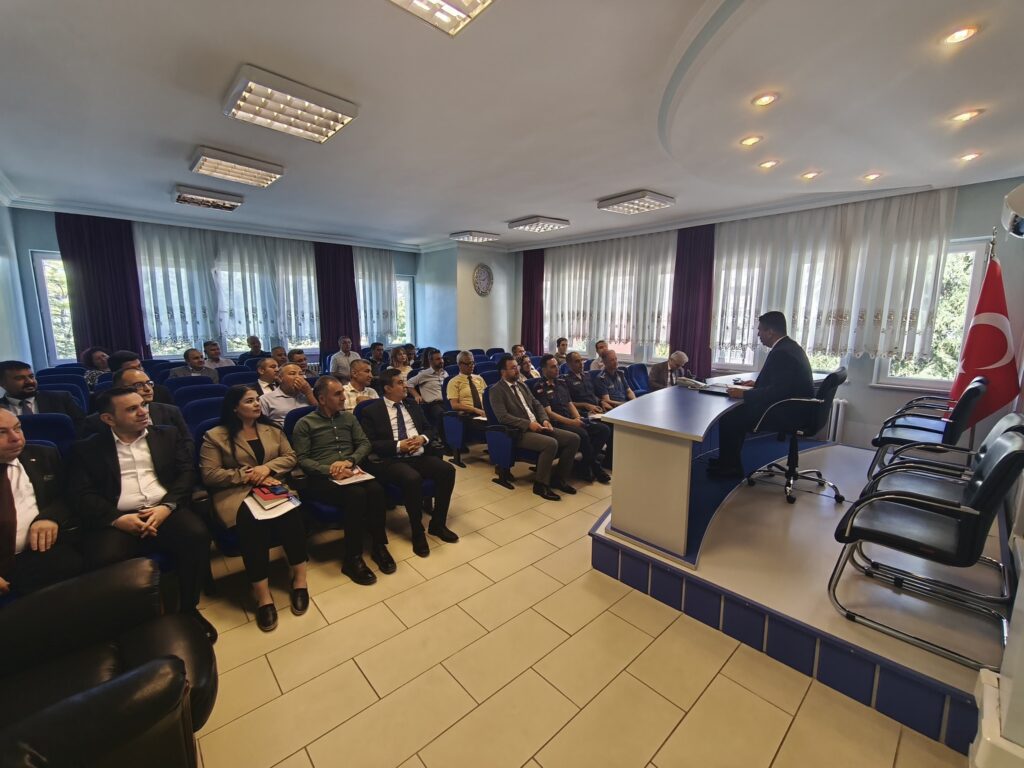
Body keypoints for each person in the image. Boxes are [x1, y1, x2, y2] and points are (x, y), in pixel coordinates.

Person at [71, 387, 216, 642]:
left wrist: (167, 506)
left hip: (164, 508)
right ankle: (131, 623)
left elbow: (186, 474)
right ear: (108, 418)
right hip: (118, 517)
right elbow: (82, 494)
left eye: (143, 405)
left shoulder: (167, 435)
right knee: (103, 557)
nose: (143, 412)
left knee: (196, 535)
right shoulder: (88, 448)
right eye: (132, 409)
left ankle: (188, 608)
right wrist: (117, 518)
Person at [199, 386, 307, 632]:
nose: (257, 404)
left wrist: (267, 469)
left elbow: (290, 457)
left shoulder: (272, 429)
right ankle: (263, 595)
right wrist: (247, 475)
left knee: (292, 516)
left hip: (273, 486)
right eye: (249, 401)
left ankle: (300, 580)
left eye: (257, 399)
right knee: (252, 525)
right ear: (234, 408)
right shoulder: (214, 436)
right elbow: (210, 474)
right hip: (237, 493)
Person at [291, 377, 393, 586]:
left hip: (350, 470)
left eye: (342, 392)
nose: (343, 397)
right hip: (322, 478)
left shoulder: (348, 418)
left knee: (376, 490)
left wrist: (349, 461)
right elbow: (302, 459)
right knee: (356, 495)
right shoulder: (305, 424)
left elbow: (364, 443)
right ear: (321, 399)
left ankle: (378, 545)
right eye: (337, 394)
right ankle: (352, 558)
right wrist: (329, 469)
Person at [359, 369, 458, 558]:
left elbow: (430, 429)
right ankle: (417, 531)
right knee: (412, 478)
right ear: (387, 388)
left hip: (418, 455)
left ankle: (438, 524)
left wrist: (422, 439)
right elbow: (370, 443)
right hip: (391, 459)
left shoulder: (412, 405)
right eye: (400, 383)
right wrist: (399, 446)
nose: (405, 386)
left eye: (404, 382)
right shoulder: (371, 411)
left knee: (447, 470)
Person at [710, 311, 814, 479]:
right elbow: (782, 383)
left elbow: (778, 391)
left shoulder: (781, 353)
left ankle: (730, 467)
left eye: (760, 330)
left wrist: (744, 395)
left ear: (770, 332)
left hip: (787, 411)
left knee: (731, 417)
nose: (758, 334)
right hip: (797, 408)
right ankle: (726, 461)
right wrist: (756, 385)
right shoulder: (790, 347)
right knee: (735, 414)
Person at [0, 409, 83, 597]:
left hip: (37, 553)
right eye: (2, 432)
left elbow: (68, 494)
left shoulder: (43, 455)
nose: (15, 438)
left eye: (18, 428)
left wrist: (50, 517)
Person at [489, 355, 580, 501]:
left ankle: (559, 478)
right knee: (551, 443)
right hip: (520, 432)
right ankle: (540, 485)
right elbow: (503, 417)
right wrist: (528, 424)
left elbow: (537, 404)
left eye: (517, 367)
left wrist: (544, 420)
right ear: (503, 372)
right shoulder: (496, 390)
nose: (517, 370)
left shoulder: (522, 385)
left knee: (573, 439)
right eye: (512, 368)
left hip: (538, 425)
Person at [532, 355, 611, 483]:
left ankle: (584, 464)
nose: (557, 369)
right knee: (583, 434)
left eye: (557, 366)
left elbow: (570, 404)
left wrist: (578, 418)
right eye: (553, 367)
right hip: (557, 423)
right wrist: (572, 422)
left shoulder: (561, 382)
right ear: (544, 369)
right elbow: (549, 413)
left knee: (604, 429)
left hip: (570, 419)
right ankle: (595, 467)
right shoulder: (540, 387)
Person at [80, 367, 191, 445]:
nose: (148, 389)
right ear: (120, 388)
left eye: (149, 383)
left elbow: (187, 443)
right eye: (138, 385)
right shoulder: (95, 422)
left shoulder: (170, 411)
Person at [0, 360, 85, 430]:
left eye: (31, 376)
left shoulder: (61, 398)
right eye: (20, 378)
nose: (30, 381)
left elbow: (82, 428)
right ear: (2, 383)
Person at [105, 350, 174, 406]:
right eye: (132, 368)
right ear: (116, 373)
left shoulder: (161, 392)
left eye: (139, 366)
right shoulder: (107, 398)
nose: (140, 371)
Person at [407, 349, 448, 425]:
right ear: (431, 361)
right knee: (443, 416)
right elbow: (409, 383)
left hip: (446, 402)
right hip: (433, 405)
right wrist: (416, 395)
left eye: (441, 358)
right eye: (438, 359)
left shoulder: (445, 373)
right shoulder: (424, 374)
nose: (441, 361)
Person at [447, 351, 487, 420]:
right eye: (468, 363)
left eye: (472, 363)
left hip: (484, 412)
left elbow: (488, 396)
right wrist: (475, 410)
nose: (471, 366)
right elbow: (454, 405)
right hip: (468, 415)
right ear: (459, 364)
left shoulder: (479, 378)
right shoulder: (453, 382)